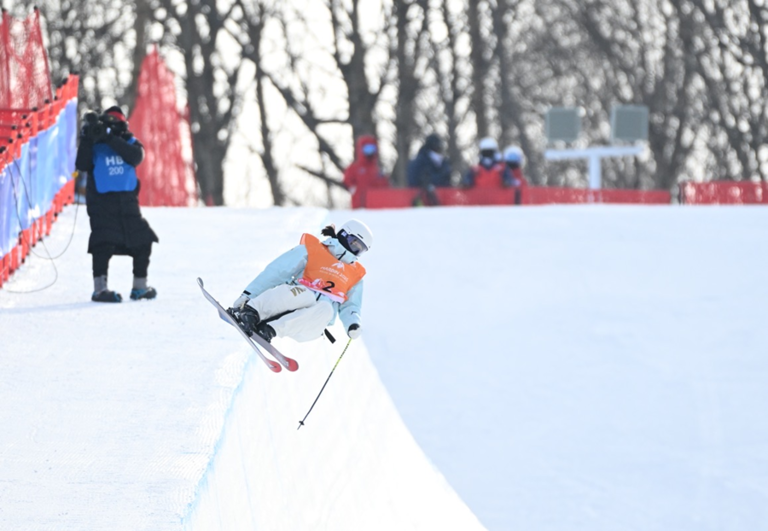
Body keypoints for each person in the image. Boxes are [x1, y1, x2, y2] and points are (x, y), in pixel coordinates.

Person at [228, 219, 373, 344]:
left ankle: (270, 330)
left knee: (327, 309)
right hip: (292, 299)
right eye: (355, 244)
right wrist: (249, 295)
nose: (355, 251)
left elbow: (351, 305)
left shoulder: (354, 274)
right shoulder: (314, 250)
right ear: (344, 234)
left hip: (309, 322)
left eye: (360, 250)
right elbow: (278, 271)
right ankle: (251, 312)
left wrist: (352, 324)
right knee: (306, 294)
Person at [75, 105, 159, 303]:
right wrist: (88, 138)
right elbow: (82, 164)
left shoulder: (129, 141)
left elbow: (135, 156)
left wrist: (110, 138)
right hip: (102, 206)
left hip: (128, 207)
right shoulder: (93, 144)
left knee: (143, 241)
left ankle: (139, 287)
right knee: (102, 244)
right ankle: (100, 290)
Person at [343, 135, 390, 209]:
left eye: (372, 149)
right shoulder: (354, 168)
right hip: (359, 206)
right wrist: (353, 190)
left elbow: (385, 186)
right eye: (367, 149)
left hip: (377, 207)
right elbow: (347, 181)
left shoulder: (378, 169)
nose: (370, 152)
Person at [406, 133, 452, 206]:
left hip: (441, 198)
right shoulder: (420, 162)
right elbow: (414, 181)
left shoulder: (443, 162)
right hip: (422, 199)